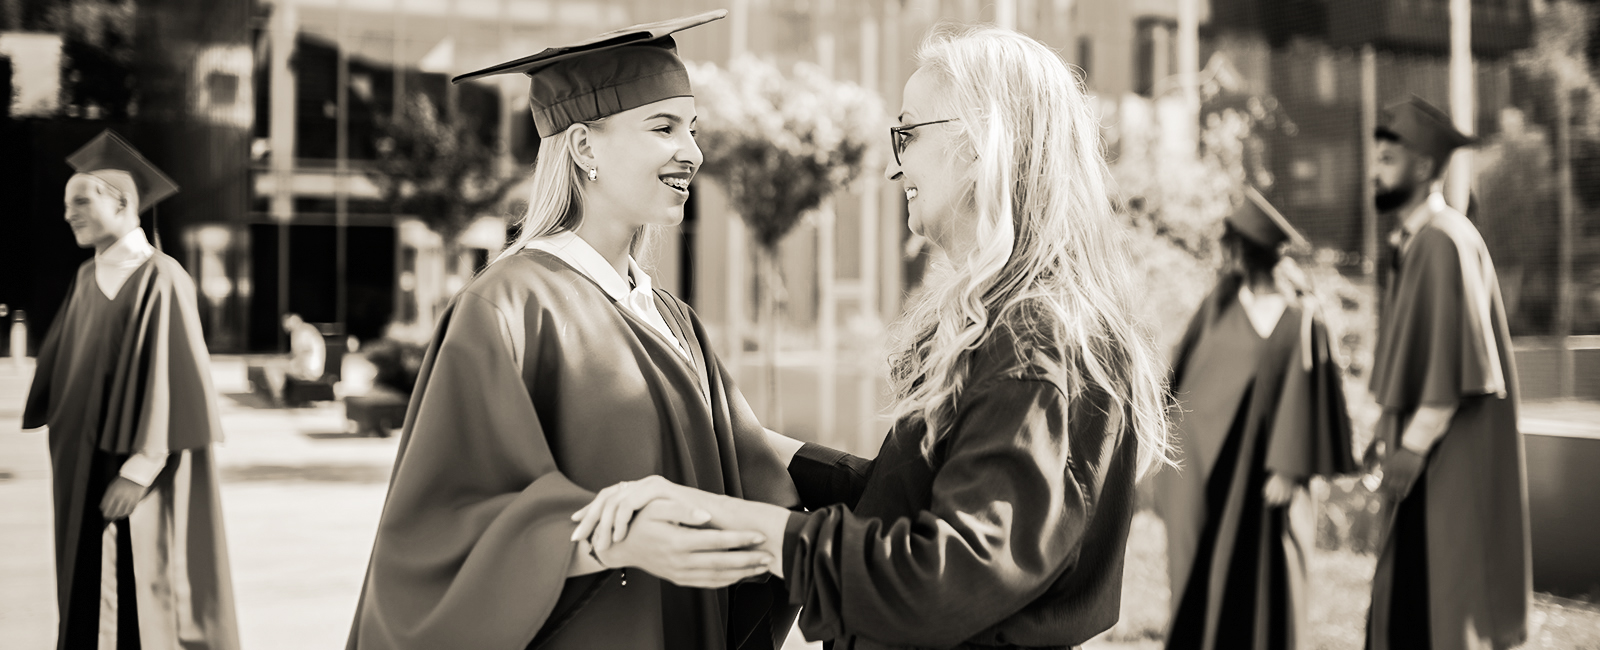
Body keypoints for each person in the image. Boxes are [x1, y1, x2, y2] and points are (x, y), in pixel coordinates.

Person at [572, 24, 1174, 650]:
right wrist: (742, 446)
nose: (894, 165)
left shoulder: (1033, 340)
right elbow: (918, 500)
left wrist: (739, 522)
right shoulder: (1024, 321)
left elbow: (943, 578)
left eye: (908, 134)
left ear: (978, 144)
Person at [345, 10, 802, 650]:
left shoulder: (667, 314)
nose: (692, 152)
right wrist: (616, 536)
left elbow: (743, 455)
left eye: (692, 129)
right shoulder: (507, 308)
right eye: (662, 127)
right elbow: (442, 529)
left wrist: (871, 480)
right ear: (584, 147)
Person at [23, 130, 239, 649]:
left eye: (82, 200)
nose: (69, 213)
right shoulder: (85, 280)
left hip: (133, 474)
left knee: (135, 598)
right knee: (84, 591)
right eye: (67, 203)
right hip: (80, 469)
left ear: (122, 203)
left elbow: (174, 381)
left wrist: (139, 470)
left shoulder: (161, 278)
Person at [1154, 188, 1356, 650]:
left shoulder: (1301, 316)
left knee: (1265, 581)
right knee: (1202, 579)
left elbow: (1309, 397)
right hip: (1211, 472)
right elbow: (1183, 378)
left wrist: (1290, 467)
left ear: (1244, 251)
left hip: (1268, 475)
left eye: (1230, 248)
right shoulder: (1219, 307)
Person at [1364, 96, 1530, 650]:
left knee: (1429, 605)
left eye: (1389, 159)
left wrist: (1409, 447)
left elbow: (1455, 366)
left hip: (1443, 465)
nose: (1375, 170)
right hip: (1428, 457)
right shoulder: (1419, 241)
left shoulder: (1442, 241)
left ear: (1427, 168)